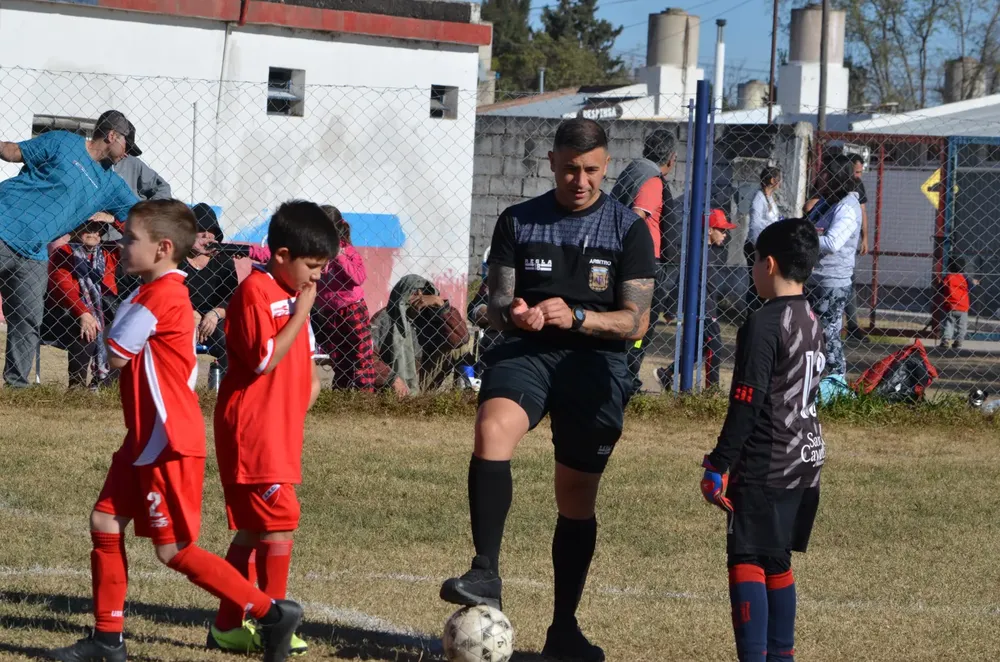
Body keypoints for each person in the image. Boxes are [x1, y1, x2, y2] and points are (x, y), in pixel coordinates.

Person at [47, 200, 302, 662]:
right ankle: (108, 640)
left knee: (175, 551)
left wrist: (118, 317)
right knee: (105, 521)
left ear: (163, 248)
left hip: (166, 441)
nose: (120, 245)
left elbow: (118, 355)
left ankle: (270, 613)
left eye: (130, 239)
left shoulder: (159, 295)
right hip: (143, 439)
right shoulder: (157, 291)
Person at [438, 119, 655, 662]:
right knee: (492, 427)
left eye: (591, 171)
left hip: (595, 363)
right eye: (569, 169)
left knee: (576, 498)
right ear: (552, 162)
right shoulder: (518, 220)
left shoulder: (628, 230)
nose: (579, 180)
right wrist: (511, 313)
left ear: (604, 167)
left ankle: (564, 630)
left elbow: (636, 322)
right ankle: (485, 571)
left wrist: (580, 316)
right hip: (527, 352)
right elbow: (491, 304)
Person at [210, 201, 338, 656]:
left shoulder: (293, 292)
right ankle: (276, 621)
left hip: (279, 430)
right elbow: (263, 359)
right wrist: (302, 312)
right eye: (312, 266)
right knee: (280, 521)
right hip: (253, 432)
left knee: (252, 528)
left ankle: (228, 625)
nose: (317, 277)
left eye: (323, 268)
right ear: (281, 255)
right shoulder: (254, 294)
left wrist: (306, 393)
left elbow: (301, 359)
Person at [699, 217, 824, 662]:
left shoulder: (764, 322)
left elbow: (747, 401)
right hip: (805, 460)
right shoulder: (811, 317)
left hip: (767, 461)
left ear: (768, 264)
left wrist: (719, 462)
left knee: (747, 556)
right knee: (777, 558)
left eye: (754, 261)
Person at [0, 110, 139, 387]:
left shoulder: (111, 184)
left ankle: (16, 386)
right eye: (127, 145)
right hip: (4, 223)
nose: (128, 154)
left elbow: (142, 216)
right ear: (112, 136)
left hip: (34, 252)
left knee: (27, 320)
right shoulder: (63, 142)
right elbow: (14, 152)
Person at [611, 129, 679, 394]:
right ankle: (629, 377)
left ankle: (626, 375)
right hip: (645, 265)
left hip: (634, 261)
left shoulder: (634, 169)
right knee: (641, 327)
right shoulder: (652, 180)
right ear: (671, 158)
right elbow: (637, 215)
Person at [656, 209, 737, 391]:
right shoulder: (698, 253)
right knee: (714, 347)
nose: (725, 234)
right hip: (702, 310)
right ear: (709, 230)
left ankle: (666, 374)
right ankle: (711, 391)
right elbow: (682, 281)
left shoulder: (712, 252)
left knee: (697, 350)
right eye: (721, 230)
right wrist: (671, 308)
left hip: (709, 308)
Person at [43, 219, 120, 389]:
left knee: (119, 332)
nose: (93, 231)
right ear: (76, 228)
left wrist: (113, 220)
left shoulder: (108, 253)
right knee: (87, 331)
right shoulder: (64, 252)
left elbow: (139, 237)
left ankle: (106, 386)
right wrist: (83, 313)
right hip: (65, 313)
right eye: (87, 226)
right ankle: (76, 388)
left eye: (97, 227)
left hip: (104, 312)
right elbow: (63, 286)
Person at [807, 155, 862, 378]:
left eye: (825, 172)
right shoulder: (825, 202)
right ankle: (811, 383)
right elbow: (809, 225)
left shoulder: (847, 207)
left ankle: (836, 383)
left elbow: (832, 243)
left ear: (836, 175)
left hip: (832, 282)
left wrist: (801, 238)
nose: (820, 177)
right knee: (809, 334)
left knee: (829, 335)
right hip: (812, 278)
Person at [312, 205, 378, 392]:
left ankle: (364, 396)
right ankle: (341, 396)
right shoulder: (315, 253)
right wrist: (249, 252)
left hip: (352, 310)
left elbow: (358, 277)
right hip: (328, 313)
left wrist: (338, 256)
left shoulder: (347, 252)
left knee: (361, 358)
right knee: (338, 359)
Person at [371, 275, 470, 395]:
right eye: (413, 292)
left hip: (423, 377)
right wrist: (391, 378)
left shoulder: (431, 315)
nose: (420, 296)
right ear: (401, 294)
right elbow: (368, 357)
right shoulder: (384, 319)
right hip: (393, 383)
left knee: (459, 348)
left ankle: (464, 393)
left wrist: (442, 307)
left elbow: (461, 338)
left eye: (424, 292)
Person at [181, 203, 239, 372]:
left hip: (214, 318)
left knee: (229, 337)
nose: (206, 234)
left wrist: (214, 314)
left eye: (211, 230)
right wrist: (188, 312)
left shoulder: (223, 261)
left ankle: (230, 386)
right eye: (201, 229)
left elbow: (232, 299)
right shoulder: (177, 258)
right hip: (181, 315)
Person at [744, 167, 783, 315]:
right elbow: (755, 224)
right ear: (773, 180)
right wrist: (758, 247)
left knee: (765, 281)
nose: (780, 183)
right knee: (755, 282)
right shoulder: (759, 198)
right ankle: (751, 313)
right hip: (755, 246)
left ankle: (758, 311)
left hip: (766, 246)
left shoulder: (770, 198)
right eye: (779, 179)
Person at [938, 256, 976, 350]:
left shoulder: (947, 277)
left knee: (948, 323)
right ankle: (959, 341)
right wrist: (974, 283)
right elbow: (971, 288)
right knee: (962, 325)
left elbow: (940, 289)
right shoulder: (964, 278)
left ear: (949, 267)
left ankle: (946, 340)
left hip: (950, 306)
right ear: (963, 267)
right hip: (963, 307)